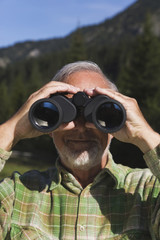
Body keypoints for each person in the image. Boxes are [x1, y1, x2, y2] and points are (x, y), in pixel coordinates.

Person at [0, 61, 159, 240]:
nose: (81, 128)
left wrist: (145, 135)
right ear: (50, 127)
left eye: (101, 114)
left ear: (116, 126)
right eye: (68, 114)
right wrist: (12, 130)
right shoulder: (15, 193)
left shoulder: (148, 190)